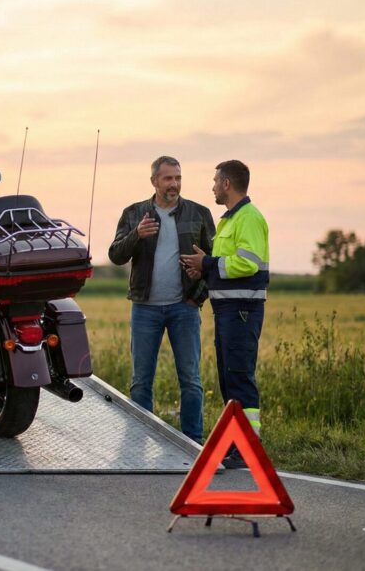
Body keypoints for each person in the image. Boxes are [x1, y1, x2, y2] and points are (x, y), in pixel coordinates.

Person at [108, 156, 215, 443]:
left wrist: (198, 298)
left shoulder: (199, 213)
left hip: (185, 308)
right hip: (145, 309)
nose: (174, 184)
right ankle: (141, 440)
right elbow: (116, 255)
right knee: (141, 382)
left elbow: (213, 261)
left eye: (178, 178)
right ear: (154, 181)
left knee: (191, 380)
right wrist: (136, 235)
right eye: (168, 178)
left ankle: (193, 441)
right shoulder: (133, 213)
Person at [181, 160, 269, 469]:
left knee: (240, 378)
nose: (213, 186)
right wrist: (203, 267)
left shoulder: (248, 218)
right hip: (228, 311)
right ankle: (237, 444)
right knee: (229, 380)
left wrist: (207, 264)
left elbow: (248, 265)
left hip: (242, 311)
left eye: (216, 181)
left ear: (228, 184)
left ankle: (247, 449)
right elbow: (225, 265)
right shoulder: (230, 220)